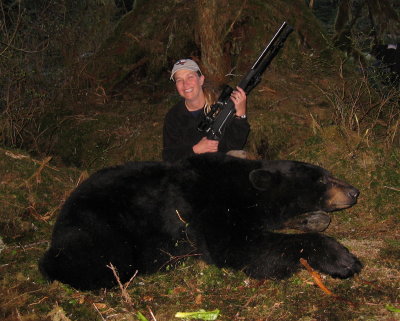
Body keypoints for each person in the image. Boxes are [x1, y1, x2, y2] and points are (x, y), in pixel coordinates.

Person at [162, 58, 250, 162]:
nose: (185, 84)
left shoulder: (220, 104)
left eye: (190, 77)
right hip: (189, 170)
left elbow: (235, 144)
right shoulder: (173, 117)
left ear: (201, 80)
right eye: (179, 80)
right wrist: (195, 150)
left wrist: (241, 114)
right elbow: (169, 156)